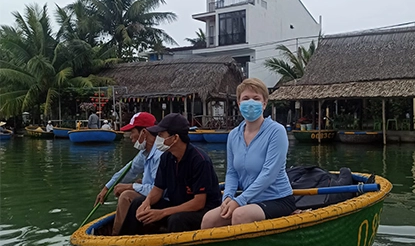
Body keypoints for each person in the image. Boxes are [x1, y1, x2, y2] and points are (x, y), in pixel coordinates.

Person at [201, 77, 295, 229]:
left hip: (277, 198)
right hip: (248, 199)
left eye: (256, 98)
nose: (250, 102)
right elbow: (232, 173)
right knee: (209, 219)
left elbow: (269, 174)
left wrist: (239, 201)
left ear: (264, 103)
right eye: (246, 98)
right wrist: (228, 197)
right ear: (239, 103)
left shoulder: (276, 131)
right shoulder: (233, 135)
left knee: (240, 215)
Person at [120, 113, 222, 235]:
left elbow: (198, 202)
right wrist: (146, 203)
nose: (158, 139)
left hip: (203, 210)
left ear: (175, 138)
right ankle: (124, 240)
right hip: (177, 205)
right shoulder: (166, 158)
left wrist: (162, 213)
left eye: (161, 135)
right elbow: (157, 190)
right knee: (137, 203)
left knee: (176, 220)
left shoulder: (199, 161)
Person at [94, 112, 161, 236]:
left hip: (163, 197)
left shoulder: (159, 154)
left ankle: (116, 237)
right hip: (152, 194)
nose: (130, 137)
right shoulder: (145, 152)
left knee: (126, 196)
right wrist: (106, 188)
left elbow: (157, 190)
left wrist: (129, 187)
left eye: (132, 132)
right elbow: (129, 171)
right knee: (132, 186)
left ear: (144, 133)